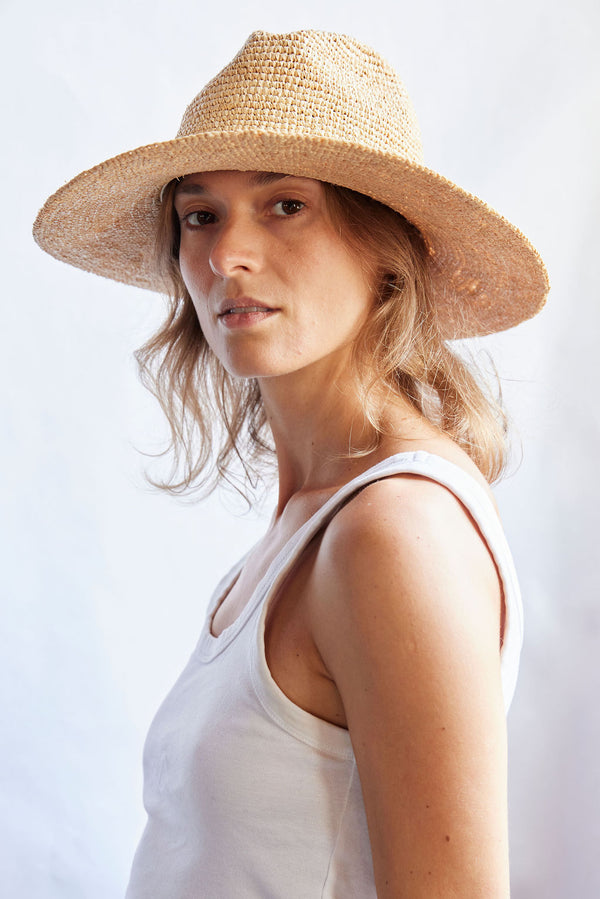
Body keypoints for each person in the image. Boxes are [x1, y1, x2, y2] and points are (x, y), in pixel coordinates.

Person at [33, 29, 548, 899]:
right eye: (201, 215)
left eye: (285, 205)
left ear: (384, 249)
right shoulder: (313, 518)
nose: (225, 254)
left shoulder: (394, 532)